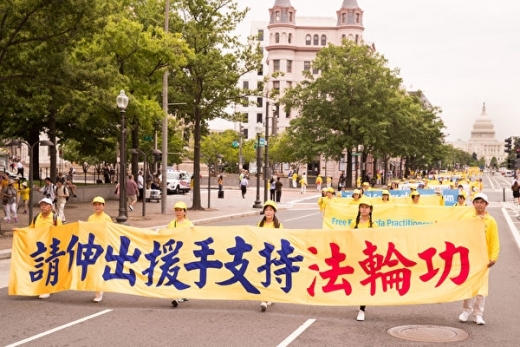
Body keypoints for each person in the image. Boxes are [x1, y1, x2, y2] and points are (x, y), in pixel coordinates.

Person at [458, 193, 499, 325]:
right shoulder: (467, 218)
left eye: (482, 202)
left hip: (484, 259)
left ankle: (478, 314)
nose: (479, 204)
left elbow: (495, 241)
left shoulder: (491, 221)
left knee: (481, 289)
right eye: (477, 202)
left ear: (487, 204)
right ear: (473, 203)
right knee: (468, 286)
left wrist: (493, 258)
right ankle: (466, 311)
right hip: (469, 257)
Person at [20, 198, 63, 298]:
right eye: (42, 205)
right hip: (39, 247)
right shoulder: (36, 218)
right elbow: (30, 230)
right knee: (39, 267)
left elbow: (62, 233)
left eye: (46, 205)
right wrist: (19, 231)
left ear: (51, 207)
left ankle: (46, 289)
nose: (43, 206)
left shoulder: (56, 219)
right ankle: (42, 287)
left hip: (51, 247)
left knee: (48, 268)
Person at [350, 197, 377, 321]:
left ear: (371, 210)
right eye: (362, 207)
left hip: (368, 259)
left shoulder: (373, 225)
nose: (364, 209)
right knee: (356, 282)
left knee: (365, 283)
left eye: (367, 207)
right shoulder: (354, 223)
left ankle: (362, 309)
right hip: (355, 257)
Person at [257, 200, 283, 312]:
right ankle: (264, 300)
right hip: (262, 254)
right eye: (266, 210)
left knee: (270, 276)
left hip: (273, 255)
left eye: (270, 210)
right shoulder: (260, 224)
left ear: (274, 212)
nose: (268, 212)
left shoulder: (279, 225)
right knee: (263, 276)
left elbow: (282, 239)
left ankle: (269, 297)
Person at [167, 201, 193, 307]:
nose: (178, 212)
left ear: (185, 212)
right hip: (174, 252)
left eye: (180, 210)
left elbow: (193, 237)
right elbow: (166, 235)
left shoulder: (189, 224)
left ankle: (182, 293)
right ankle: (177, 293)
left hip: (185, 251)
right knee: (174, 272)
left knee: (183, 272)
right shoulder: (172, 224)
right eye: (176, 210)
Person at [87, 196, 113, 302]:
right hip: (93, 247)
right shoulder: (90, 218)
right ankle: (98, 290)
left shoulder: (107, 218)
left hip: (103, 247)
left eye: (99, 204)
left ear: (104, 206)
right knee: (93, 270)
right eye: (95, 204)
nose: (97, 206)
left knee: (99, 270)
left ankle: (99, 292)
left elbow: (111, 232)